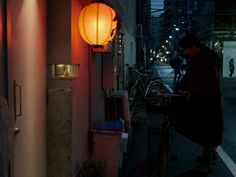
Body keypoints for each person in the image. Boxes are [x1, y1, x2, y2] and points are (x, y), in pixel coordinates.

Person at [170, 34, 224, 173]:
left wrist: (191, 92)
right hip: (204, 98)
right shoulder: (198, 58)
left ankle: (207, 161)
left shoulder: (206, 58)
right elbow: (189, 77)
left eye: (187, 49)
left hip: (209, 100)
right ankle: (208, 155)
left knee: (207, 128)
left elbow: (208, 81)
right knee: (205, 128)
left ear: (194, 47)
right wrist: (179, 88)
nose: (185, 52)